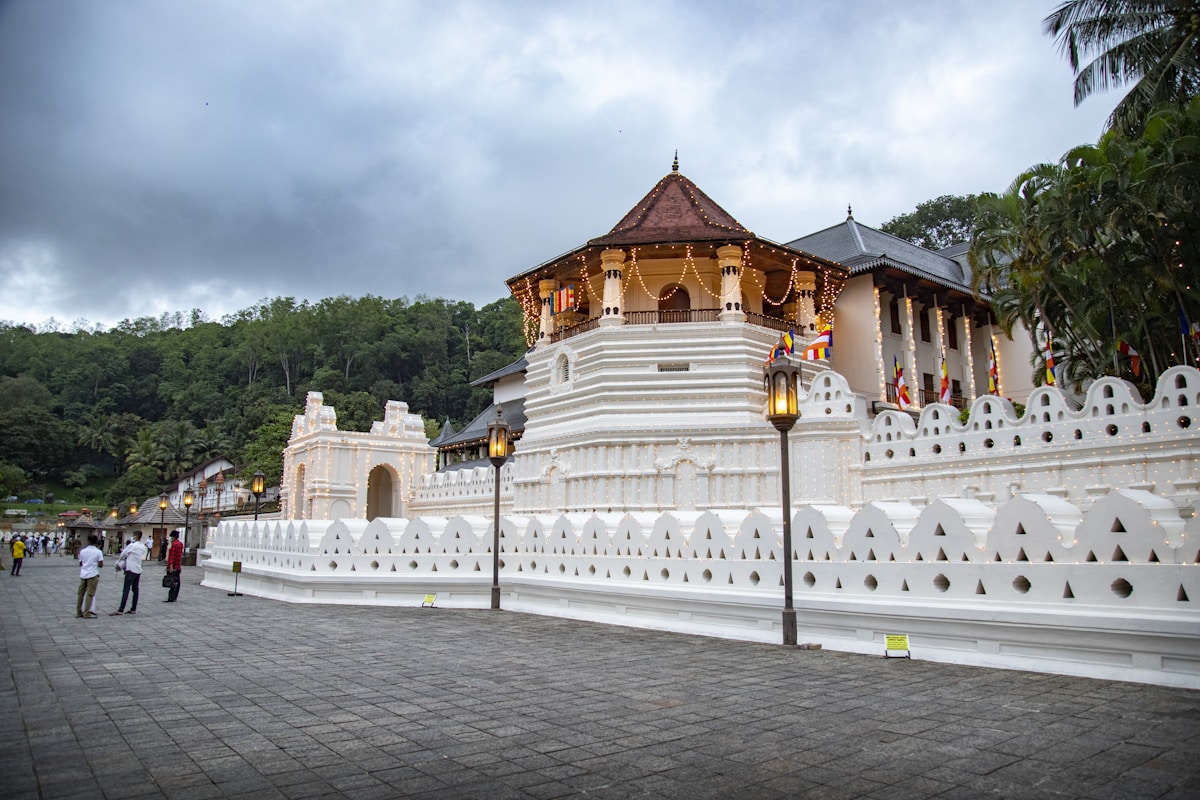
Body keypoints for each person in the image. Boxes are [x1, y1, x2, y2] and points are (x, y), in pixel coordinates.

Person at [109, 531, 148, 616]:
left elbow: (122, 554)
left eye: (133, 535)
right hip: (138, 569)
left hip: (130, 570)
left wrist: (119, 562)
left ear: (136, 536)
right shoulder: (143, 547)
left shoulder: (132, 545)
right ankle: (133, 608)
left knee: (126, 590)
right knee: (135, 589)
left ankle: (121, 609)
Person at [75, 534, 104, 618]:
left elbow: (80, 563)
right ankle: (87, 612)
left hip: (83, 573)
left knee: (81, 593)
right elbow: (101, 564)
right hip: (93, 574)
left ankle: (78, 611)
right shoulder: (98, 552)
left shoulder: (83, 551)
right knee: (90, 594)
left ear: (88, 541)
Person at [164, 530, 183, 602]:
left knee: (171, 581)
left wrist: (170, 565)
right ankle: (175, 596)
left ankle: (171, 597)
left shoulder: (174, 544)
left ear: (174, 537)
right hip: (178, 565)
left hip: (173, 566)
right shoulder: (180, 544)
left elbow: (172, 556)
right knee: (177, 582)